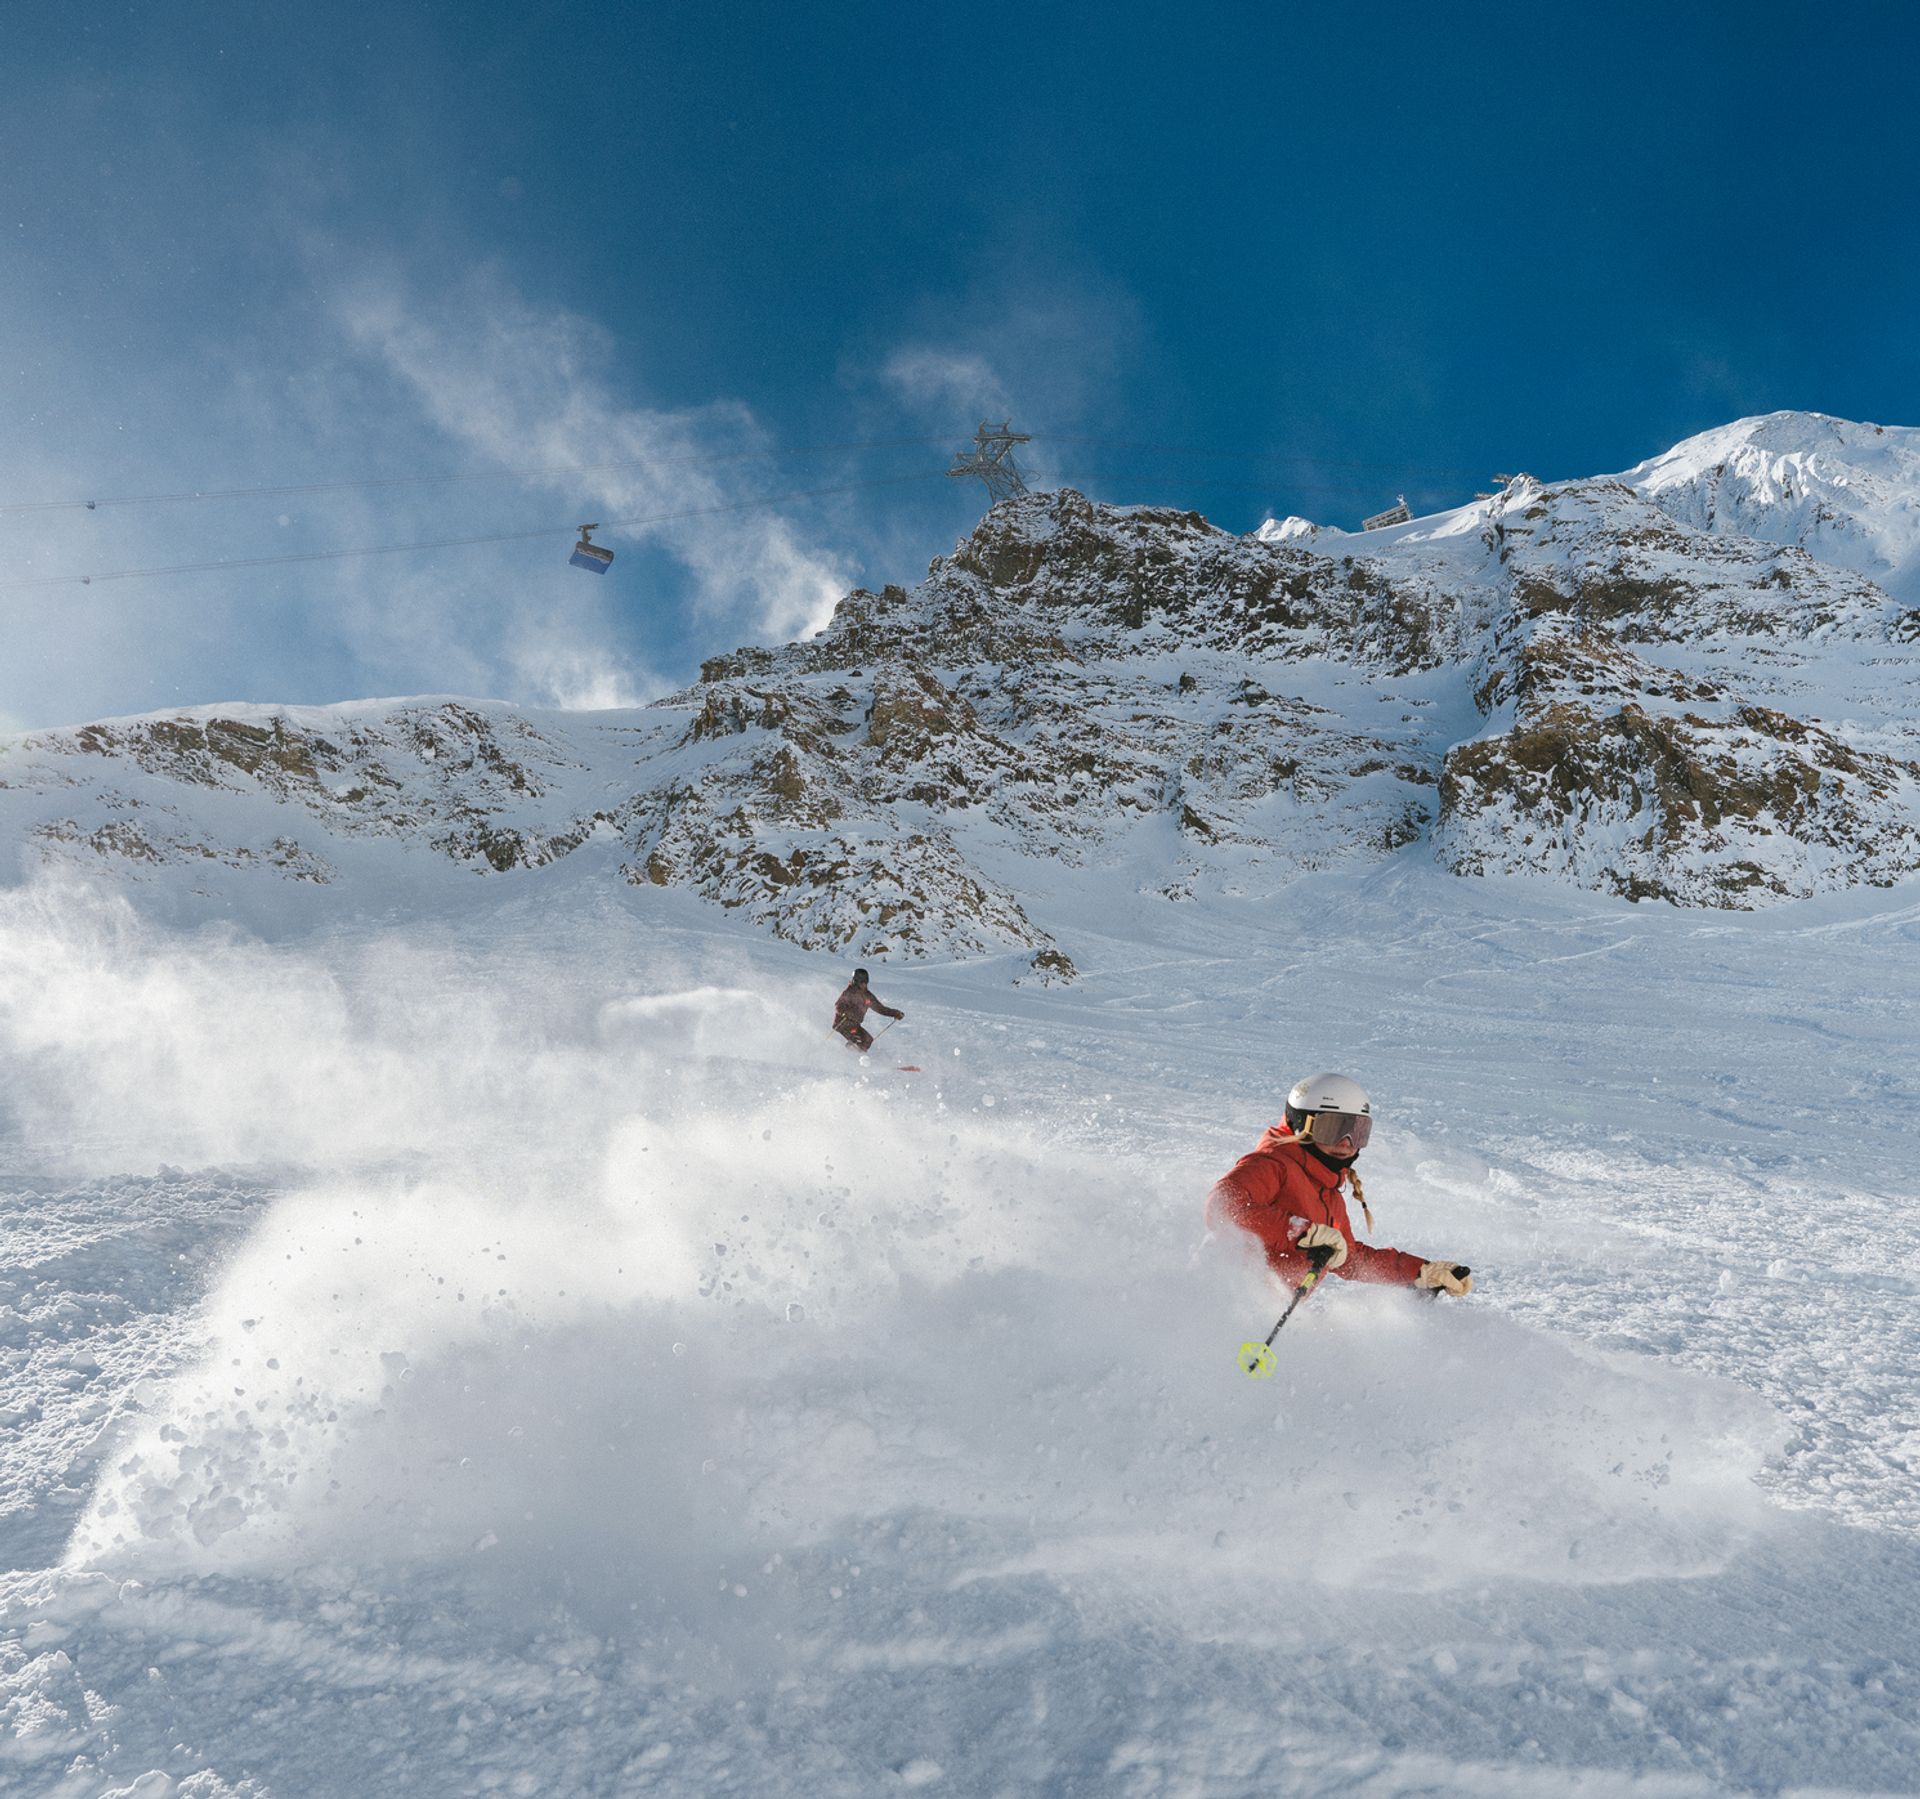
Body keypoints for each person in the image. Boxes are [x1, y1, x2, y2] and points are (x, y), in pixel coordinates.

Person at [1207, 1072, 1473, 1297]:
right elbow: (1221, 1208)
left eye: (1356, 1131)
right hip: (1218, 1301)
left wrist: (1420, 1272)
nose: (1345, 1142)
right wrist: (1299, 1232)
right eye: (1333, 1128)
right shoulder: (1272, 1164)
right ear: (1302, 1124)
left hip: (1263, 1319)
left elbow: (1349, 1258)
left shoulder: (1328, 1192)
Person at [832, 967, 904, 1052]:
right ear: (855, 981)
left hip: (854, 1025)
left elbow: (880, 1009)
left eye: (865, 982)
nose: (864, 985)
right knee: (856, 1040)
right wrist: (845, 1013)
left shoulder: (868, 996)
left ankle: (858, 1057)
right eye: (861, 982)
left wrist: (895, 1013)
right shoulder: (849, 992)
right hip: (842, 1024)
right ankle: (846, 1055)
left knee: (868, 1040)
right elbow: (838, 1005)